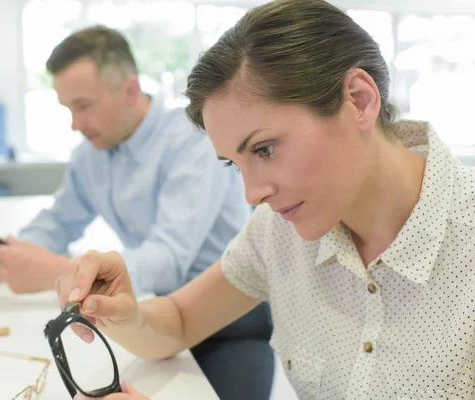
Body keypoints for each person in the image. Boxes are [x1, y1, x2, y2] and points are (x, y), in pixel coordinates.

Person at [55, 1, 475, 399]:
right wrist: (125, 314)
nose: (253, 194)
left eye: (265, 149)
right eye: (233, 165)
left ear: (358, 101)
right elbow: (181, 321)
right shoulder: (280, 230)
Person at [0, 26, 275, 399]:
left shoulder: (193, 140)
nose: (75, 124)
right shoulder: (91, 154)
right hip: (157, 316)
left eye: (83, 106)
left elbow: (169, 258)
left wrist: (56, 272)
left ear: (130, 89)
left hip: (227, 320)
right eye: (68, 109)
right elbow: (58, 219)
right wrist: (13, 253)